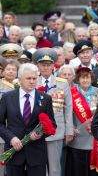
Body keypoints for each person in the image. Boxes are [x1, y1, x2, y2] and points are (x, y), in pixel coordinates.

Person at [0, 63, 56, 176]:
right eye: (28, 78)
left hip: (36, 153)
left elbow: (52, 125)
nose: (32, 81)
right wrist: (11, 138)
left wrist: (40, 134)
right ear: (20, 80)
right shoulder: (7, 97)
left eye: (34, 78)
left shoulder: (45, 98)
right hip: (14, 151)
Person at [32, 48, 73, 176]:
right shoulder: (32, 81)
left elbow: (68, 108)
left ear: (53, 66)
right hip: (35, 131)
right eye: (42, 65)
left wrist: (69, 130)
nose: (45, 67)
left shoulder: (62, 83)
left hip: (57, 130)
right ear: (37, 66)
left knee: (55, 167)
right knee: (38, 165)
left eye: (48, 64)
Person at [66, 67, 98, 176]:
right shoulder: (71, 93)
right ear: (78, 79)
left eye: (88, 77)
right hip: (78, 135)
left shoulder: (97, 91)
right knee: (79, 169)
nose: (85, 80)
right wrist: (71, 128)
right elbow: (67, 113)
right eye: (82, 78)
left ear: (91, 79)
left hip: (94, 136)